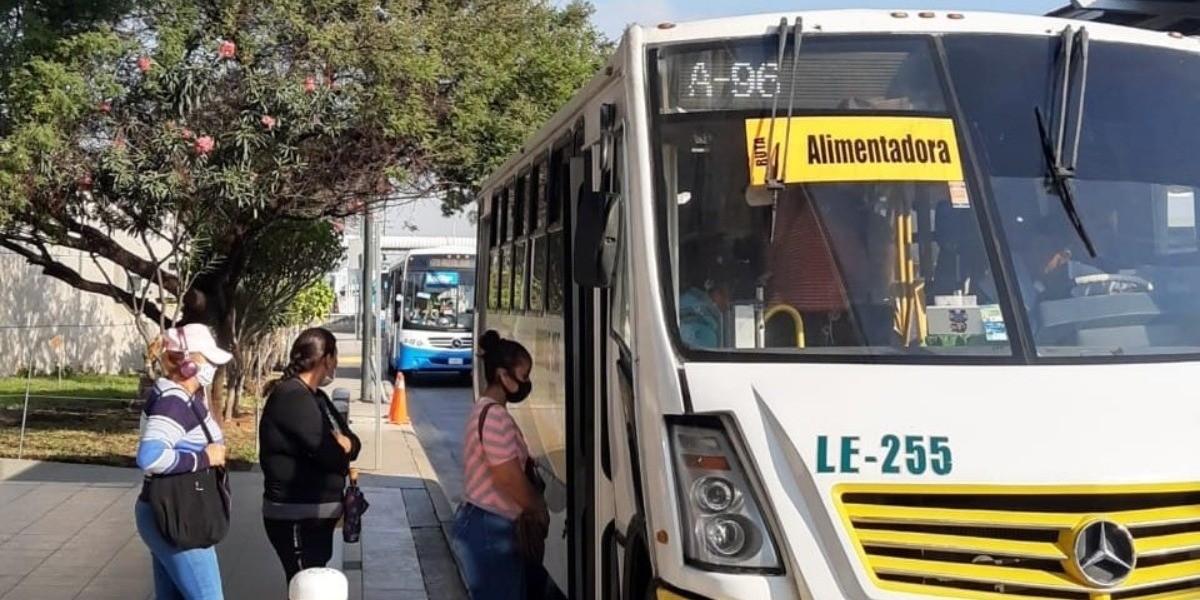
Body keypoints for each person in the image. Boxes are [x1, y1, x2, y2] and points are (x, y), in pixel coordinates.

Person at [135, 324, 234, 600]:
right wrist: (205, 457)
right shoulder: (174, 400)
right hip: (178, 515)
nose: (213, 366)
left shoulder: (180, 395)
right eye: (208, 360)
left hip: (168, 511)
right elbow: (149, 456)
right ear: (188, 363)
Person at [259, 328, 362, 587]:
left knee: (312, 585)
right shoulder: (292, 398)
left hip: (316, 515)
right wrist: (342, 447)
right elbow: (332, 456)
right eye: (335, 355)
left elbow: (353, 443)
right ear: (326, 358)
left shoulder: (317, 397)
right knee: (306, 586)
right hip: (296, 515)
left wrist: (346, 445)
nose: (336, 362)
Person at [451, 330, 549, 600]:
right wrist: (538, 507)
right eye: (523, 376)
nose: (526, 383)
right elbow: (507, 477)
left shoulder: (486, 410)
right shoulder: (494, 417)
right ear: (503, 375)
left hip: (485, 525)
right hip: (490, 529)